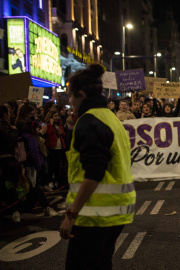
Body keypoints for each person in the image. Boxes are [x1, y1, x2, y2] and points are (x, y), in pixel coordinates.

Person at [60, 64, 136, 269]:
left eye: (71, 96)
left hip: (95, 215)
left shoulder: (90, 122)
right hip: (113, 212)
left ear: (82, 95)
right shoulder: (108, 117)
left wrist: (71, 215)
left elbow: (94, 173)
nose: (69, 101)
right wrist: (70, 128)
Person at [45, 110, 67, 189]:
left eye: (57, 116)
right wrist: (51, 124)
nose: (57, 118)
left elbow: (64, 134)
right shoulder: (48, 125)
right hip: (52, 148)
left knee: (58, 166)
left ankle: (57, 182)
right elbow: (48, 133)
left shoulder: (60, 125)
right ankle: (50, 181)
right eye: (55, 116)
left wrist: (60, 132)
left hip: (60, 147)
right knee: (51, 165)